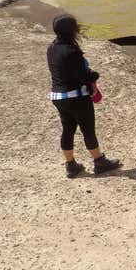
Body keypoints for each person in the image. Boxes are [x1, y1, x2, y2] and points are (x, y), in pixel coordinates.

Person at [47, 14, 120, 178]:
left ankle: (71, 165)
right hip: (76, 97)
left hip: (58, 97)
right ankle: (99, 162)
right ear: (72, 30)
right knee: (88, 130)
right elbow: (84, 77)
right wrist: (95, 75)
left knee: (67, 129)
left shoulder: (52, 48)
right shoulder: (72, 51)